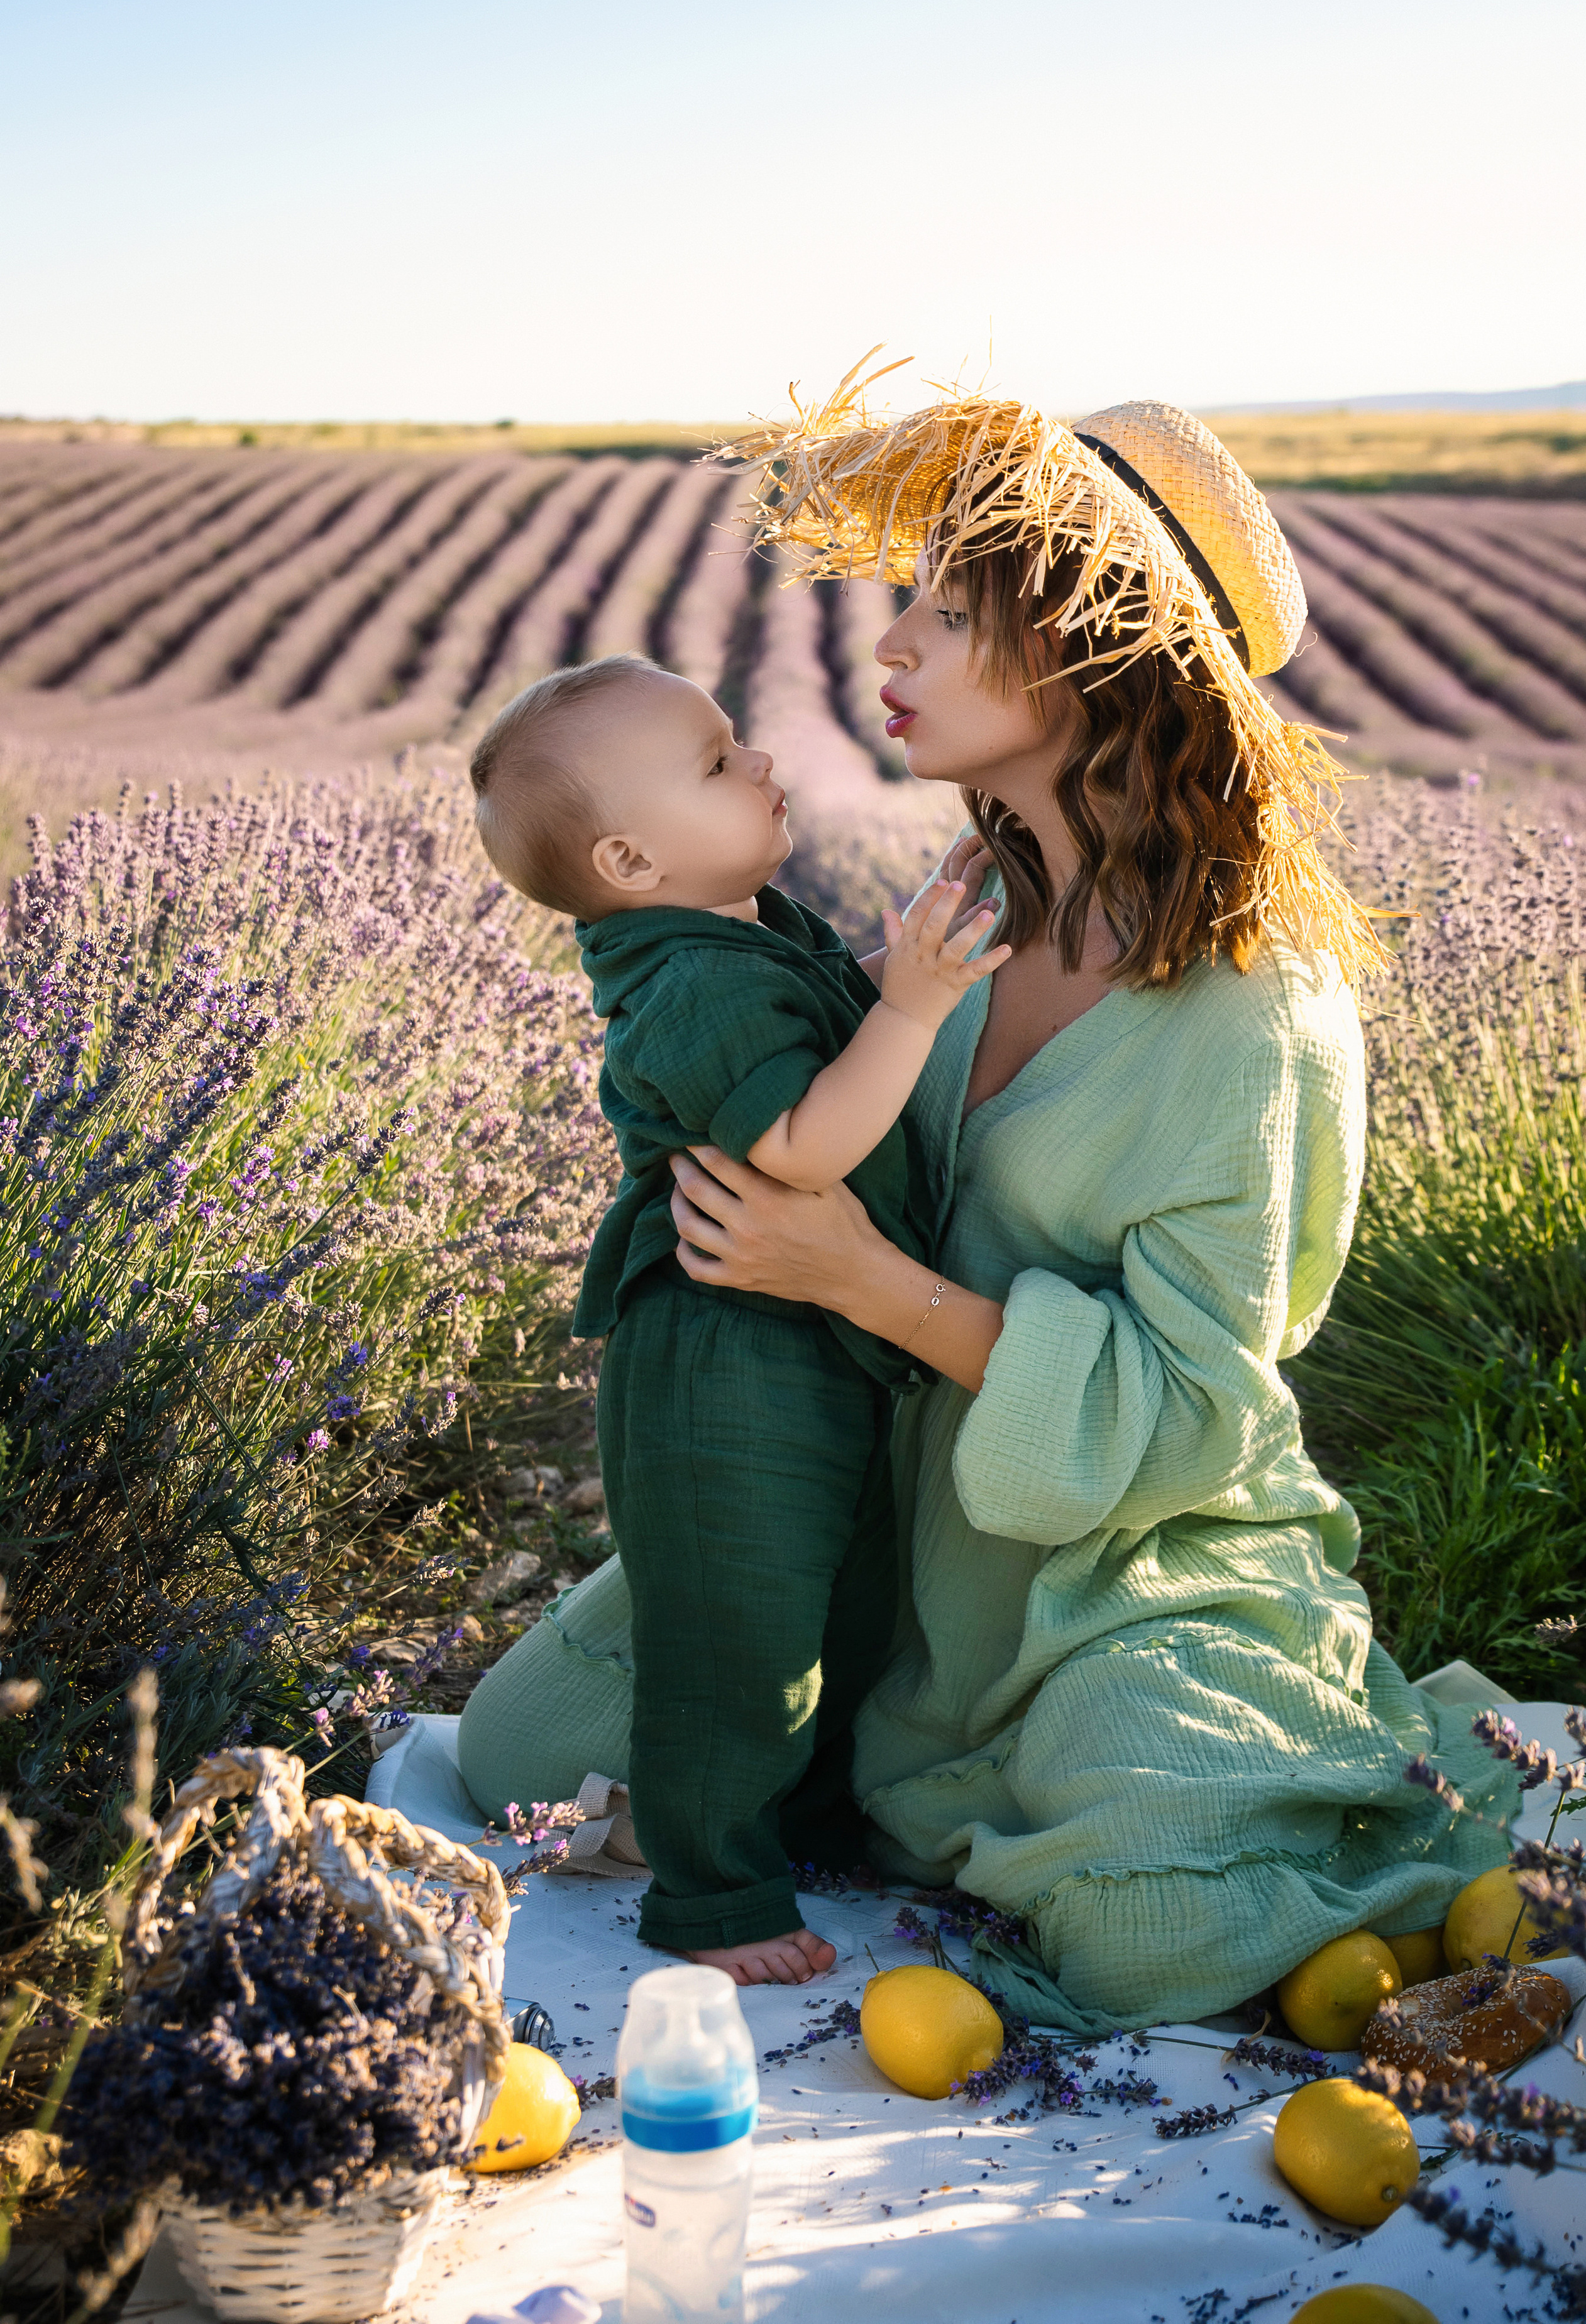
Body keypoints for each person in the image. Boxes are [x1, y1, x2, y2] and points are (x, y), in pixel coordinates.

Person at [460, 373, 1517, 2032]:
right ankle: (869, 1769)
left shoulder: (1257, 1012)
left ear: (1091, 646)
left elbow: (1191, 1418)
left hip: (1115, 1563)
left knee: (1144, 1937)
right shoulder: (962, 915)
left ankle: (1314, 1779)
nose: (888, 651)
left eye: (949, 614)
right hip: (867, 1515)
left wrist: (857, 1278)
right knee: (520, 1750)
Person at [461, 653, 1008, 1983]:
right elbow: (802, 1144)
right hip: (719, 1361)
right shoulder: (687, 982)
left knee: (839, 1601)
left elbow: (837, 1007)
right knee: (736, 1634)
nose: (759, 760)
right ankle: (712, 1901)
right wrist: (922, 1002)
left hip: (796, 1336)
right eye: (715, 763)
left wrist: (923, 931)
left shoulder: (742, 927)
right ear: (632, 860)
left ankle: (792, 1823)